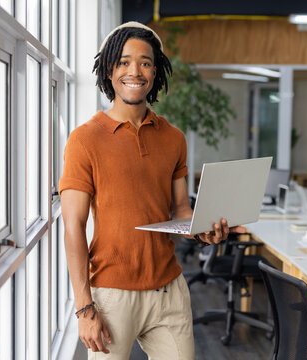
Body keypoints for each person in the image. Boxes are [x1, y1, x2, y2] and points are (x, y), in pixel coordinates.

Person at [59, 22, 244, 359]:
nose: (135, 71)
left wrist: (205, 231)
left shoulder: (173, 138)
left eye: (145, 62)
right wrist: (84, 307)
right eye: (124, 61)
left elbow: (180, 211)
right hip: (112, 295)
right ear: (109, 69)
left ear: (155, 72)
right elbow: (73, 226)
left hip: (168, 291)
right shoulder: (84, 139)